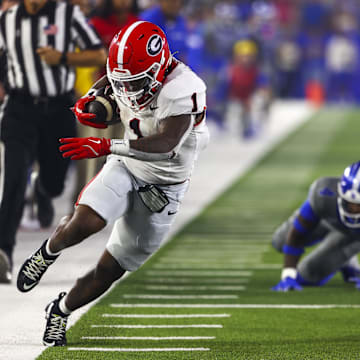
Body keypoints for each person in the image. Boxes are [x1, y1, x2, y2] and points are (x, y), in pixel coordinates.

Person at [16, 20, 208, 347]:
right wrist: (93, 99)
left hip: (164, 186)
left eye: (135, 82)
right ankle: (47, 253)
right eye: (123, 81)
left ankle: (60, 310)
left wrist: (107, 145)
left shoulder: (185, 89)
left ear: (159, 68)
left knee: (109, 270)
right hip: (127, 164)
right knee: (86, 222)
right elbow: (114, 80)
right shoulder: (129, 73)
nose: (127, 90)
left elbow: (165, 145)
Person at [0, 0, 107, 283]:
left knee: (55, 181)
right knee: (12, 179)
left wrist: (62, 58)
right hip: (19, 107)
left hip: (58, 109)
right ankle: (4, 252)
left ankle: (43, 187)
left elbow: (99, 54)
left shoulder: (67, 14)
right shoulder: (7, 18)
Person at [272, 161, 360, 292]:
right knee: (280, 240)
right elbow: (297, 234)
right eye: (350, 204)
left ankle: (346, 260)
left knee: (308, 273)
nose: (354, 210)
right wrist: (288, 275)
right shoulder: (324, 194)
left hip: (352, 237)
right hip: (326, 220)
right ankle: (345, 259)